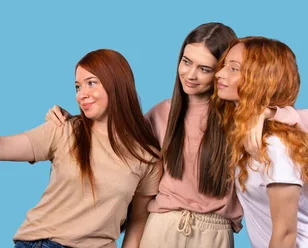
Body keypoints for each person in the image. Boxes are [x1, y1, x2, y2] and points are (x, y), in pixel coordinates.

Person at [44, 23, 306, 247]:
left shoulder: (240, 121)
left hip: (215, 233)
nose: (190, 75)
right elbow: (117, 145)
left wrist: (275, 114)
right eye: (186, 61)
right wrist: (75, 123)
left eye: (205, 68)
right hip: (160, 227)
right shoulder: (162, 114)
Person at [0, 49, 161, 248]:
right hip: (42, 243)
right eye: (77, 86)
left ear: (117, 84)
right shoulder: (65, 130)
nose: (81, 94)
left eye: (91, 83)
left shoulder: (146, 156)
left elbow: (138, 222)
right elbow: (0, 147)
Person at [215, 36, 308, 248]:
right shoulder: (249, 137)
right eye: (224, 66)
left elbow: (285, 235)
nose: (219, 73)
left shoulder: (275, 146)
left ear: (260, 79)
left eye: (234, 69)